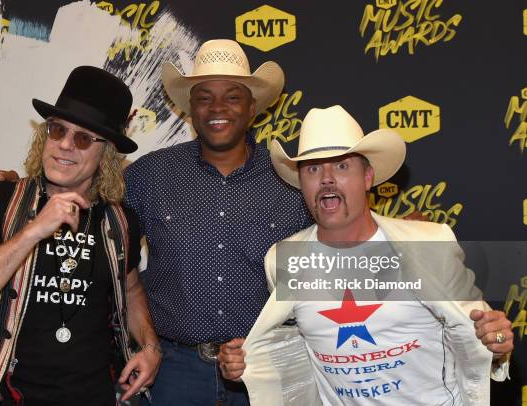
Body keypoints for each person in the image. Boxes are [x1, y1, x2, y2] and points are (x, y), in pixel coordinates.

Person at [0, 42, 512, 405]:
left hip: (269, 366)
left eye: (232, 97)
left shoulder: (292, 178)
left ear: (252, 108)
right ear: (188, 108)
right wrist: (17, 183)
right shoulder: (148, 176)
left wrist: (415, 237)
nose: (218, 108)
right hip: (176, 370)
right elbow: (88, 192)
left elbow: (347, 220)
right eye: (203, 97)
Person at [217, 106, 514, 405]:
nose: (327, 179)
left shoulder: (427, 243)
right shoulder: (281, 259)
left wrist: (498, 342)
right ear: (301, 183)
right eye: (313, 169)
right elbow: (297, 348)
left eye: (342, 166)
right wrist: (249, 364)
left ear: (368, 177)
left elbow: (481, 336)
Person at [0, 66, 161, 405]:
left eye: (83, 138)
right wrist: (34, 230)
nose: (64, 145)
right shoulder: (0, 199)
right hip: (5, 394)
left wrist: (150, 345)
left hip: (93, 396)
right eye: (57, 130)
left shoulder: (121, 221)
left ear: (105, 153)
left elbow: (131, 290)